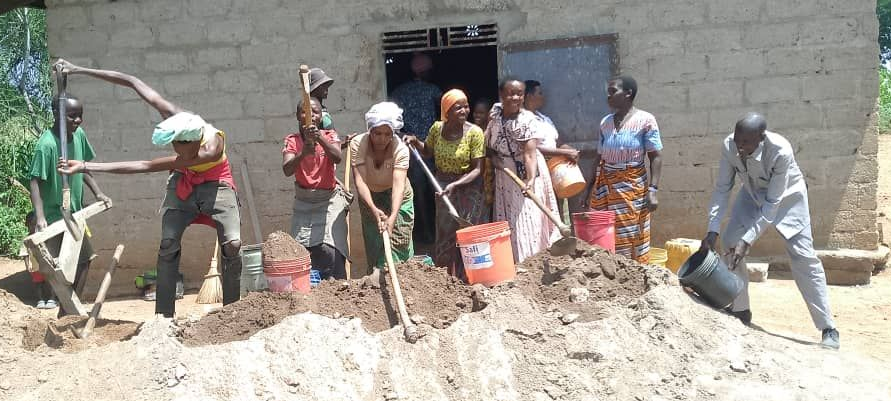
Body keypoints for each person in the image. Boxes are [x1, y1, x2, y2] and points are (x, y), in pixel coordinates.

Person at [54, 59, 242, 318]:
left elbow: (144, 165)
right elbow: (132, 82)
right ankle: (163, 318)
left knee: (232, 244)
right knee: (168, 243)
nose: (174, 151)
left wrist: (86, 165)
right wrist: (79, 70)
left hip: (217, 184)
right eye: (172, 145)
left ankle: (232, 313)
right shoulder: (178, 120)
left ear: (194, 142)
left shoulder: (211, 149)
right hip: (183, 183)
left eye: (179, 148)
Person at [701, 112, 840, 349]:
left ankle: (828, 327)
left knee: (804, 256)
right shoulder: (729, 146)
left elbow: (773, 204)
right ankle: (741, 309)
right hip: (752, 193)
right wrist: (712, 229)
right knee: (730, 240)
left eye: (746, 142)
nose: (740, 147)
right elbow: (722, 188)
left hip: (787, 197)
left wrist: (750, 239)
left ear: (761, 138)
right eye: (737, 140)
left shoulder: (780, 151)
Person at [28, 91, 109, 305]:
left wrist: (98, 193)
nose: (78, 120)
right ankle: (59, 304)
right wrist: (40, 217)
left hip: (73, 213)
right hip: (54, 215)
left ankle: (69, 310)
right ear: (56, 114)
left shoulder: (79, 135)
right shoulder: (47, 145)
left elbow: (83, 168)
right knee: (57, 265)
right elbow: (35, 180)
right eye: (72, 116)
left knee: (84, 260)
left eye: (80, 115)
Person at [404, 89, 488, 278]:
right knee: (446, 232)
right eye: (458, 107)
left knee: (468, 231)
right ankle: (447, 277)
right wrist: (416, 141)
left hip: (469, 188)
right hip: (443, 186)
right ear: (447, 111)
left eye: (466, 106)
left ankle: (473, 276)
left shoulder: (474, 133)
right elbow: (427, 152)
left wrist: (456, 185)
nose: (464, 111)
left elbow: (478, 169)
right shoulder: (436, 129)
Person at [582, 75, 663, 264]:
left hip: (631, 186)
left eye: (613, 91)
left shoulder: (646, 120)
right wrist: (588, 189)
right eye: (607, 92)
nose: (608, 96)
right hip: (606, 185)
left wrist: (653, 190)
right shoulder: (606, 123)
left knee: (630, 231)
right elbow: (599, 157)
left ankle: (630, 272)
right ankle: (610, 273)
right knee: (602, 229)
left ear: (628, 93)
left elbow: (656, 156)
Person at [486, 78, 560, 263]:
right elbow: (488, 141)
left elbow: (529, 154)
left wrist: (530, 180)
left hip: (526, 173)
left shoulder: (527, 120)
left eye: (519, 94)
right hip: (505, 175)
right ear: (501, 95)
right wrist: (493, 157)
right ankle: (511, 263)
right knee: (509, 220)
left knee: (527, 218)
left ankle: (531, 262)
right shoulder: (495, 114)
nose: (515, 98)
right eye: (510, 93)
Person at [282, 97, 350, 279]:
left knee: (330, 249)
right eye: (305, 112)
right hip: (304, 201)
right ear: (298, 116)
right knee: (301, 250)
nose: (310, 116)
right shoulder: (292, 140)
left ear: (321, 116)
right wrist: (303, 152)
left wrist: (319, 137)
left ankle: (337, 289)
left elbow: (337, 157)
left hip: (328, 200)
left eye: (315, 112)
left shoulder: (330, 136)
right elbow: (287, 169)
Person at [351, 102, 414, 274]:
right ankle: (377, 280)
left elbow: (399, 185)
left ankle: (404, 277)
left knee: (400, 238)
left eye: (387, 134)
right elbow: (360, 181)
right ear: (370, 130)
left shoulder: (400, 149)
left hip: (398, 195)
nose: (382, 139)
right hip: (369, 195)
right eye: (377, 133)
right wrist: (373, 208)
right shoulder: (358, 144)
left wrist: (393, 216)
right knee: (375, 241)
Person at [390, 52, 441, 245]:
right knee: (436, 192)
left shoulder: (398, 92)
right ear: (423, 71)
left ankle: (426, 233)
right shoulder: (433, 90)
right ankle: (432, 233)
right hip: (428, 148)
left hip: (410, 148)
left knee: (420, 194)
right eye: (429, 70)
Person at [523, 80, 579, 162]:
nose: (543, 97)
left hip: (555, 162)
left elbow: (558, 142)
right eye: (540, 93)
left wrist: (571, 151)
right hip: (539, 164)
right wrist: (564, 153)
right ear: (529, 96)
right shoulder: (523, 120)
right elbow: (532, 149)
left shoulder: (545, 119)